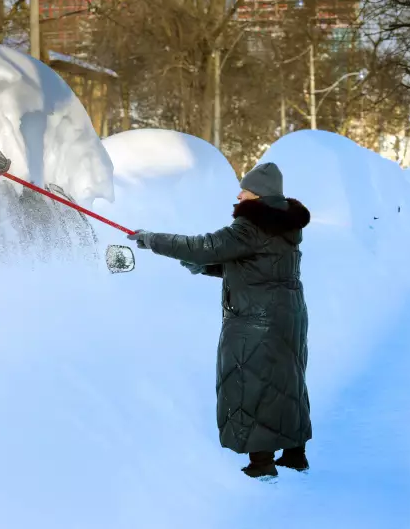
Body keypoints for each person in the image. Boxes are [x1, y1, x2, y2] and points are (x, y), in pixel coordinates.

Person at [127, 162, 312, 479]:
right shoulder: (284, 226)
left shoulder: (251, 226)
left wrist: (152, 239)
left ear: (259, 196)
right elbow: (255, 267)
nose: (239, 195)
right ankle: (295, 455)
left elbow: (204, 246)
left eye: (246, 190)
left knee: (254, 385)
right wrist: (206, 267)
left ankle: (261, 465)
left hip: (257, 320)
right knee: (286, 383)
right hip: (288, 315)